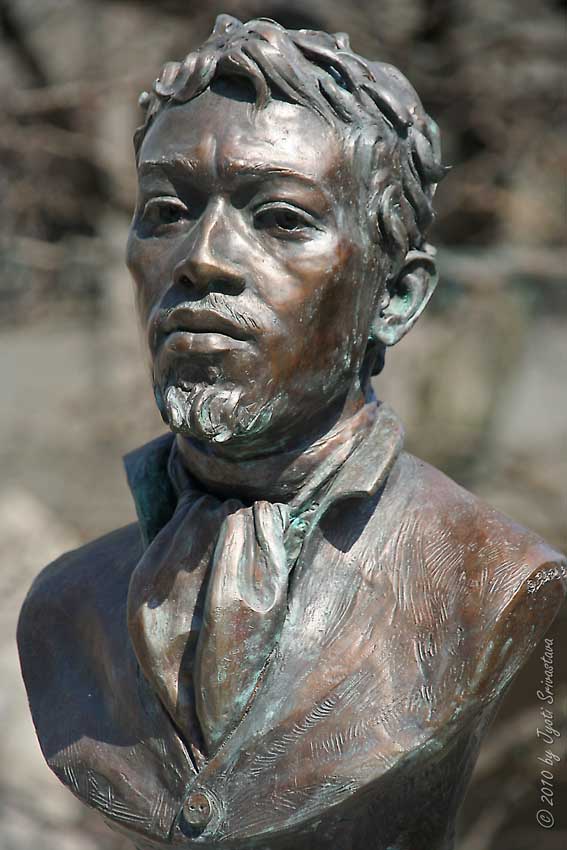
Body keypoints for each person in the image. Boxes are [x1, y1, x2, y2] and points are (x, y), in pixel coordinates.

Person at [18, 15, 566, 850]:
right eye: (165, 210)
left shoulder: (501, 596)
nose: (202, 257)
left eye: (278, 218)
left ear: (396, 296)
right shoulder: (66, 608)